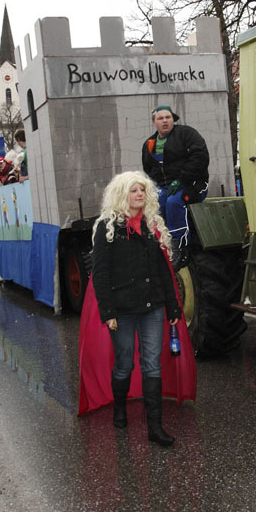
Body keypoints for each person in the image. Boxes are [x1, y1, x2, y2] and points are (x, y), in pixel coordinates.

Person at [90, 171, 182, 446]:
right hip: (122, 309)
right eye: (133, 190)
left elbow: (164, 271)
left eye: (142, 190)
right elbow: (101, 274)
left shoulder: (152, 225)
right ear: (121, 195)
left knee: (152, 363)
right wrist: (108, 313)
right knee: (124, 362)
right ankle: (120, 408)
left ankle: (155, 427)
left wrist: (173, 306)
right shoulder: (106, 228)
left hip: (153, 305)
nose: (139, 194)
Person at [141, 105, 210, 258]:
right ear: (154, 122)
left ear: (173, 119)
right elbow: (148, 169)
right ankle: (160, 244)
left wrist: (181, 180)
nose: (165, 121)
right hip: (164, 187)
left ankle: (179, 246)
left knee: (174, 202)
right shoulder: (149, 144)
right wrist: (157, 185)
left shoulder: (186, 134)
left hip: (193, 185)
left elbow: (200, 157)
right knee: (156, 204)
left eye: (168, 117)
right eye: (160, 118)